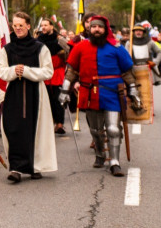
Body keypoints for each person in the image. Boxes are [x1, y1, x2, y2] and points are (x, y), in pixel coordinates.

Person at [59, 15, 139, 177]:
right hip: (89, 92)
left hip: (112, 93)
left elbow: (127, 72)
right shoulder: (80, 47)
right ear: (89, 29)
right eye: (94, 26)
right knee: (95, 130)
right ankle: (100, 154)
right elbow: (71, 71)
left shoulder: (116, 47)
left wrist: (133, 91)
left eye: (100, 27)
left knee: (113, 129)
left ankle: (114, 162)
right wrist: (64, 92)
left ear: (105, 29)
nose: (96, 29)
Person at [0, 12, 56, 182]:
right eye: (15, 26)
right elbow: (0, 70)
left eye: (21, 25)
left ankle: (36, 166)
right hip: (13, 93)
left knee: (36, 130)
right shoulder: (7, 49)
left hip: (36, 92)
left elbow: (48, 71)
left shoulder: (40, 48)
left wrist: (27, 71)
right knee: (13, 128)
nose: (18, 28)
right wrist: (14, 71)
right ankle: (16, 168)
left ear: (28, 26)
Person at [37, 17, 70, 134]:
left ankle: (59, 123)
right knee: (46, 100)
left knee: (58, 99)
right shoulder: (38, 40)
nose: (43, 27)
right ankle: (50, 122)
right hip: (44, 72)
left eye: (46, 25)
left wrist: (64, 53)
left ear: (51, 26)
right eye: (42, 25)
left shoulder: (59, 39)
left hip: (57, 72)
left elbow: (69, 52)